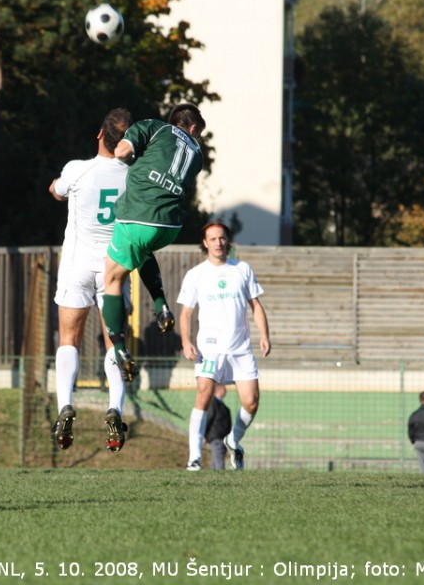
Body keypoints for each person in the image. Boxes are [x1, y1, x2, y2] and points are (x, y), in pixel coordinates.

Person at [101, 103, 206, 401]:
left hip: (137, 215)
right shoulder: (196, 155)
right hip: (170, 226)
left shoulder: (153, 126)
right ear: (193, 129)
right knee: (142, 249)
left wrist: (133, 155)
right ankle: (161, 304)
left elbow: (121, 152)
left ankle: (119, 348)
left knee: (111, 279)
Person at [48, 108, 135, 453]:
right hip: (114, 268)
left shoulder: (77, 169)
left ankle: (64, 407)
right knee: (114, 342)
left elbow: (58, 191)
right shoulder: (134, 176)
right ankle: (115, 407)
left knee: (69, 339)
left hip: (77, 265)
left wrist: (55, 187)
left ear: (100, 134)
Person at [178, 222, 270, 471]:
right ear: (205, 243)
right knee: (204, 395)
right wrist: (186, 342)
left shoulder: (242, 269)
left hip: (240, 348)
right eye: (212, 239)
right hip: (210, 348)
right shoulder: (196, 274)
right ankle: (194, 458)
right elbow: (186, 313)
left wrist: (264, 335)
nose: (218, 242)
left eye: (221, 238)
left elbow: (256, 305)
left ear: (227, 241)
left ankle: (234, 440)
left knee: (251, 402)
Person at [204, 383, 232, 470]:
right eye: (224, 389)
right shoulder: (213, 403)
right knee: (219, 460)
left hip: (222, 437)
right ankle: (222, 479)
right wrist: (204, 434)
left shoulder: (223, 406)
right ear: (219, 390)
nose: (226, 391)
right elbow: (209, 418)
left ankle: (213, 479)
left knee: (215, 460)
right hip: (216, 436)